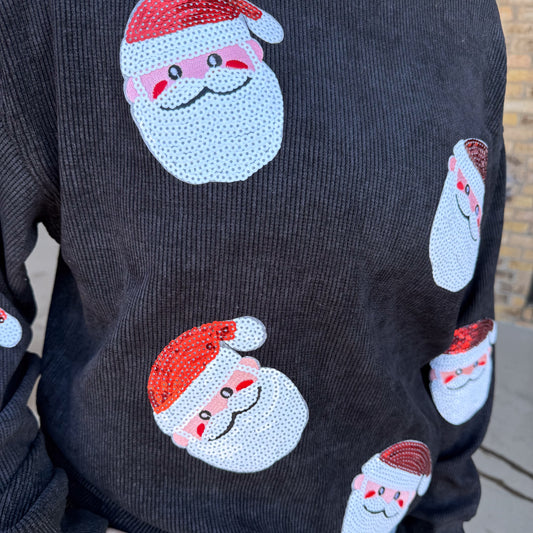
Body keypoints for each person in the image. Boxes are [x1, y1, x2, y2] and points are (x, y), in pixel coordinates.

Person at [0, 0, 507, 531]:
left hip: (382, 507)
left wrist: (444, 512)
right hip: (121, 508)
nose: (203, 82)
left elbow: (468, 306)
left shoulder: (466, 19)